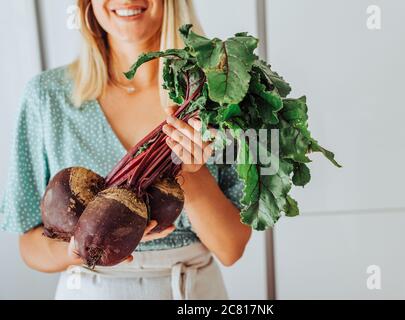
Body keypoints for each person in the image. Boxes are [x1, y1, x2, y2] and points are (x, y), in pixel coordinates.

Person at [0, 0, 251, 300]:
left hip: (190, 291)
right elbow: (29, 246)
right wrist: (79, 249)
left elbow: (231, 248)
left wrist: (189, 173)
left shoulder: (215, 98)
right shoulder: (46, 97)